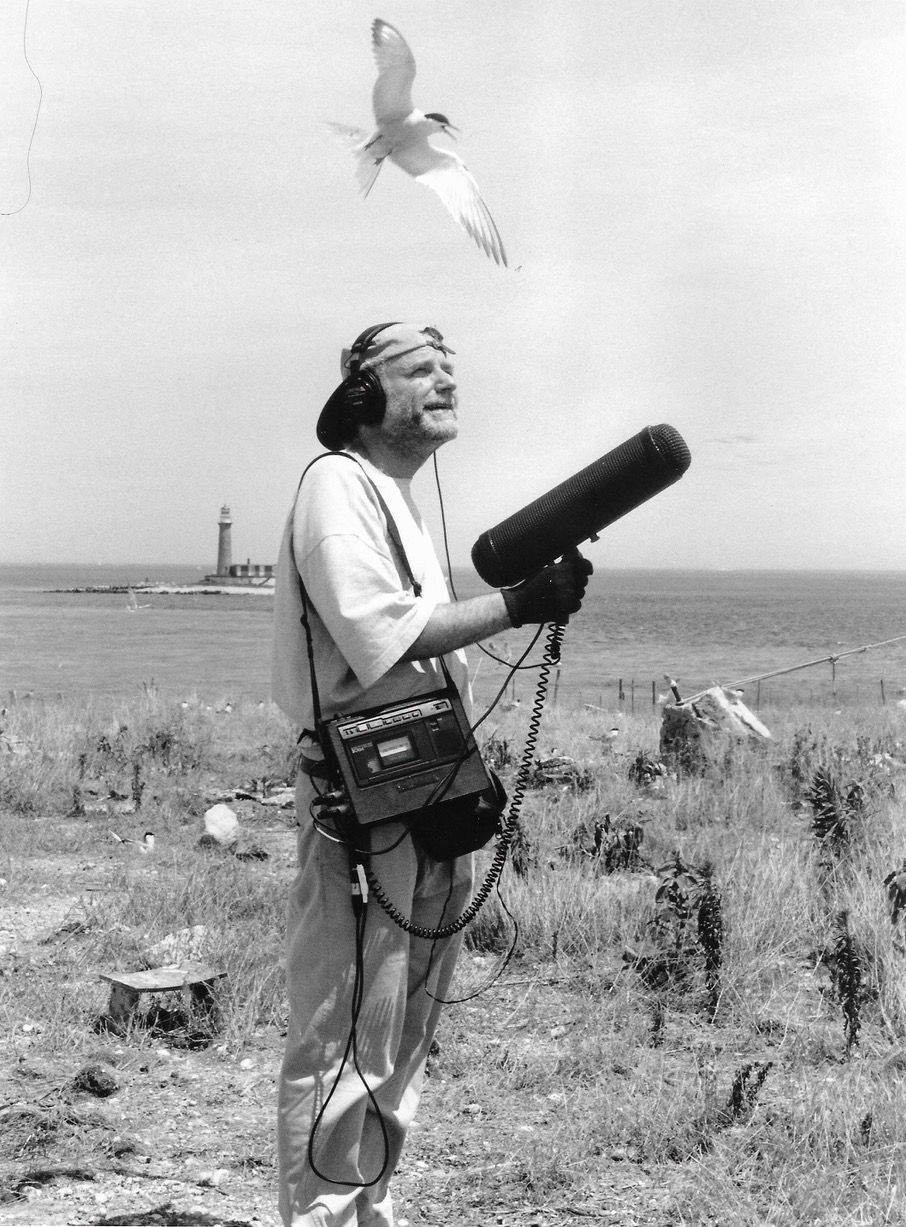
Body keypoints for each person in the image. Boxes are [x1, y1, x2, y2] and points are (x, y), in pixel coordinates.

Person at [271, 321, 592, 1227]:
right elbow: (384, 640)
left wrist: (518, 606)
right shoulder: (337, 484)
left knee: (407, 1018)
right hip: (360, 801)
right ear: (366, 398)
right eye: (420, 370)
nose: (446, 382)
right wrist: (520, 605)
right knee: (347, 1025)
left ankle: (363, 1202)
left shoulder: (397, 499)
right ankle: (323, 1215)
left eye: (451, 368)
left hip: (427, 780)